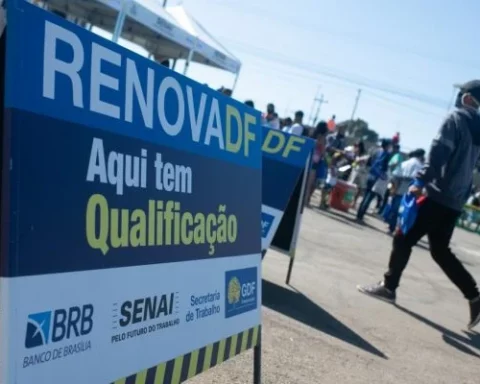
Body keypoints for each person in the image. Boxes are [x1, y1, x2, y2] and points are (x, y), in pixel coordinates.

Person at [357, 79, 480, 330]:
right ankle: (475, 296)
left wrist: (421, 180)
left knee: (403, 237)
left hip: (436, 194)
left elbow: (438, 151)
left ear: (467, 98)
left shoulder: (455, 119)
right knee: (440, 250)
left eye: (461, 94)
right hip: (455, 201)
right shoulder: (478, 127)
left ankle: (389, 287)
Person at [385, 149, 425, 234]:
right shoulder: (420, 166)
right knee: (406, 211)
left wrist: (393, 188)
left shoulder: (404, 163)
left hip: (399, 188)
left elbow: (395, 175)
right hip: (411, 191)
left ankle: (391, 227)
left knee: (395, 209)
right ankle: (401, 230)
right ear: (421, 156)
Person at [356, 139, 392, 221]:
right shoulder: (385, 154)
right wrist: (383, 176)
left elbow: (369, 161)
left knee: (366, 195)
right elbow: (380, 165)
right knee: (369, 197)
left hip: (370, 174)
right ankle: (360, 215)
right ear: (387, 145)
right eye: (390, 145)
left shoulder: (375, 150)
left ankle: (359, 214)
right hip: (376, 177)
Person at [306, 121, 329, 206]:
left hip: (308, 158)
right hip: (315, 161)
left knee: (306, 181)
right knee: (310, 183)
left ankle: (305, 199)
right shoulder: (322, 138)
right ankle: (306, 200)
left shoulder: (312, 135)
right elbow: (322, 151)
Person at [349, 141, 369, 208]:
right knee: (352, 186)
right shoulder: (355, 153)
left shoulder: (364, 154)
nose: (356, 147)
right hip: (355, 171)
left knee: (359, 188)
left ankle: (354, 203)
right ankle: (349, 200)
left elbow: (365, 159)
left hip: (362, 173)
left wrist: (358, 159)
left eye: (357, 146)